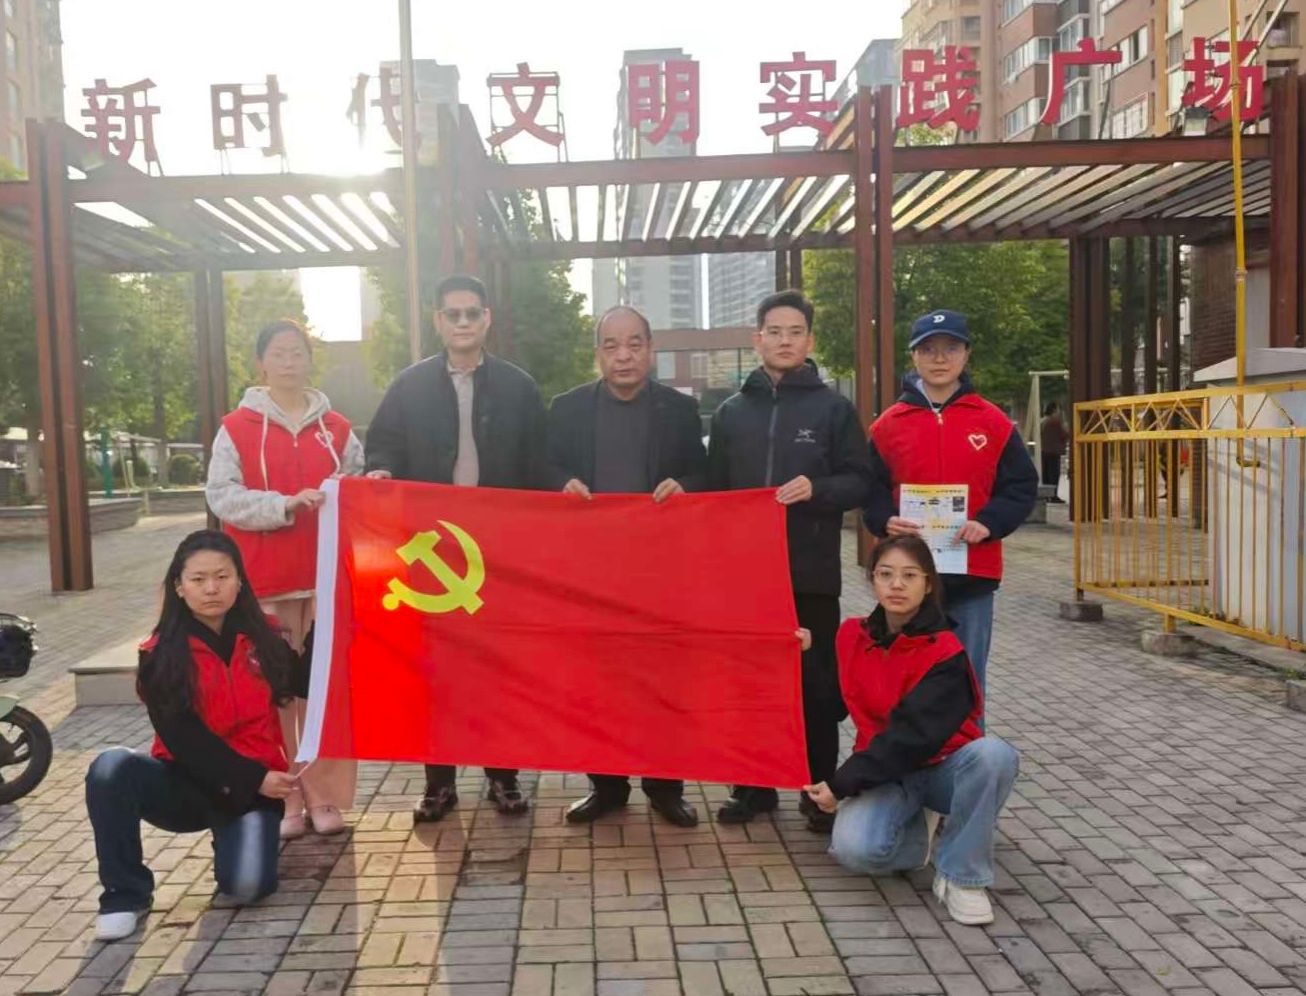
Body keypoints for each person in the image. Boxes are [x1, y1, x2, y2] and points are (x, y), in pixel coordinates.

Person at [365, 274, 548, 823]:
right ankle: (438, 784)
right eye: (453, 314)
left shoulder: (518, 387)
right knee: (433, 671)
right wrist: (381, 471)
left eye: (472, 313)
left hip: (499, 553)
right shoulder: (409, 386)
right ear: (437, 321)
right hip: (432, 551)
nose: (463, 322)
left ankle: (503, 777)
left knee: (497, 669)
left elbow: (539, 463)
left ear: (487, 319)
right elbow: (383, 444)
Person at [85, 531, 307, 942]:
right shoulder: (159, 653)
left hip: (249, 794)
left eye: (222, 577)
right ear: (179, 586)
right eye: (198, 579)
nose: (211, 589)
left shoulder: (267, 638)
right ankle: (124, 896)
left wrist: (327, 635)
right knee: (110, 768)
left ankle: (232, 840)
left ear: (239, 581)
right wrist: (255, 778)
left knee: (247, 887)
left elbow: (303, 683)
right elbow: (182, 737)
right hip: (187, 784)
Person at [707, 289, 872, 833]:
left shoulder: (833, 409)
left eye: (794, 332)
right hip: (743, 579)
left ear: (809, 340)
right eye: (774, 332)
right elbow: (712, 492)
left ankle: (817, 790)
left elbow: (860, 481)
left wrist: (817, 489)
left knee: (815, 687)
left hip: (810, 575)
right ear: (757, 339)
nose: (784, 341)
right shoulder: (731, 413)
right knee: (747, 685)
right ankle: (751, 787)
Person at [547, 305, 708, 829]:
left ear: (650, 350)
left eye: (635, 344)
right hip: (590, 574)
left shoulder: (680, 411)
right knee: (597, 686)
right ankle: (607, 786)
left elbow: (706, 473)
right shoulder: (567, 409)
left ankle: (666, 788)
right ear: (598, 353)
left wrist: (686, 485)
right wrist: (561, 483)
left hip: (661, 573)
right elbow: (542, 466)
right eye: (612, 345)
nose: (624, 355)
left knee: (662, 684)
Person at [803, 535, 1019, 926]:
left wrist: (841, 784)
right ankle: (919, 839)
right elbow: (831, 703)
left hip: (943, 771)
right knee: (855, 851)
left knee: (995, 756)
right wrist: (803, 658)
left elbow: (912, 737)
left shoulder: (946, 653)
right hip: (887, 772)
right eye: (885, 574)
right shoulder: (851, 635)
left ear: (928, 584)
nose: (897, 585)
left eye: (909, 575)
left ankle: (962, 877)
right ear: (872, 580)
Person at [205, 318, 364, 841]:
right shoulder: (236, 427)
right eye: (279, 352)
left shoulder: (338, 428)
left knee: (320, 694)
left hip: (325, 581)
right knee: (272, 695)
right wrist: (283, 505)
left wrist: (366, 488)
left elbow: (358, 490)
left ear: (310, 359)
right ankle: (284, 797)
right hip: (263, 582)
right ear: (261, 363)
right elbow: (222, 495)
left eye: (298, 351)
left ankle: (324, 795)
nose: (289, 361)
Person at [863, 310, 1037, 696]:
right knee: (904, 685)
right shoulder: (888, 425)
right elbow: (869, 487)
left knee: (966, 686)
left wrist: (989, 523)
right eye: (928, 349)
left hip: (971, 577)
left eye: (951, 348)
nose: (940, 359)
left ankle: (967, 740)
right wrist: (885, 520)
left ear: (966, 354)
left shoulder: (993, 422)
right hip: (906, 580)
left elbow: (1021, 485)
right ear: (913, 356)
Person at [1039, 401, 1068, 502]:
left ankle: (1047, 495)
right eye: (1058, 410)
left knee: (1046, 474)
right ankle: (1054, 495)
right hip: (1054, 452)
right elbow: (1064, 434)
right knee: (1054, 475)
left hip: (1044, 451)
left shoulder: (1042, 421)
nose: (1059, 412)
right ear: (1054, 410)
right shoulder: (1055, 422)